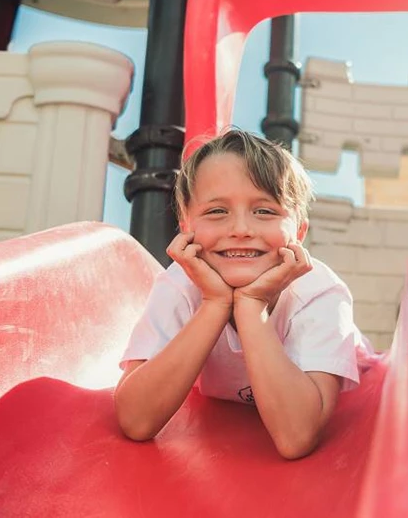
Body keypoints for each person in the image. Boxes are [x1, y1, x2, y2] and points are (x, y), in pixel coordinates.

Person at [115, 129, 369, 459]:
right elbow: (135, 419)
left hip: (360, 407)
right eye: (216, 211)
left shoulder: (319, 292)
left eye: (264, 211)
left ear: (300, 231)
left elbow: (296, 437)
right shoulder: (179, 285)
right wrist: (214, 303)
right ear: (186, 225)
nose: (240, 229)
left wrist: (251, 306)